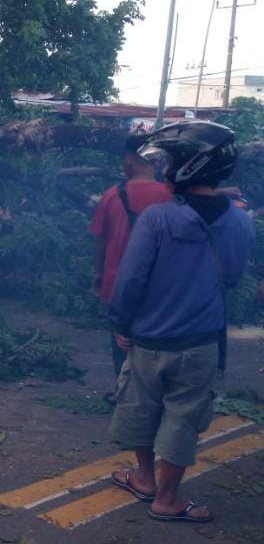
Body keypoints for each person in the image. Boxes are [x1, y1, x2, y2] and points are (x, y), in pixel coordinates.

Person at [107, 121, 254, 523]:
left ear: (189, 166)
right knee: (183, 416)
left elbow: (131, 278)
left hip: (148, 339)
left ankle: (144, 478)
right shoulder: (241, 221)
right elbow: (235, 276)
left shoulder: (157, 219)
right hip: (201, 341)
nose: (166, 166)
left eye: (171, 160)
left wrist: (121, 322)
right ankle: (167, 498)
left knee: (140, 405)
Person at [89, 134, 172, 401]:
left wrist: (98, 273)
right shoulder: (170, 196)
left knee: (120, 340)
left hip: (117, 284)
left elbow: (100, 240)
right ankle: (153, 394)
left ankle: (123, 395)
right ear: (156, 161)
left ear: (128, 161)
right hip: (159, 286)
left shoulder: (112, 196)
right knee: (154, 341)